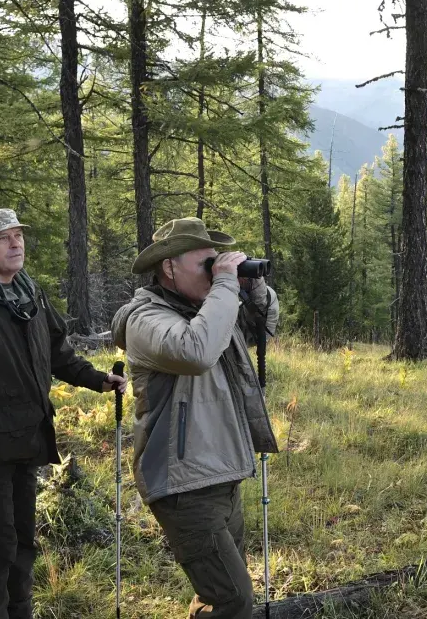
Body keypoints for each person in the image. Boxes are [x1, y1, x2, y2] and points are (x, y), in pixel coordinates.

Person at [0, 208, 127, 619]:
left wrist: (96, 379)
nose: (15, 243)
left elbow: (56, 351)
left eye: (18, 235)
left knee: (22, 544)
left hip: (26, 441)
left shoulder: (26, 291)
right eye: (3, 238)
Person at [111, 217, 279, 619]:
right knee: (233, 599)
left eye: (217, 262)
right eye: (206, 264)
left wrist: (252, 288)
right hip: (182, 482)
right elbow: (196, 353)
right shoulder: (144, 320)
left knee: (214, 595)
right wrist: (223, 286)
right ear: (169, 267)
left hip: (220, 473)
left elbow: (264, 328)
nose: (216, 271)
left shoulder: (206, 308)